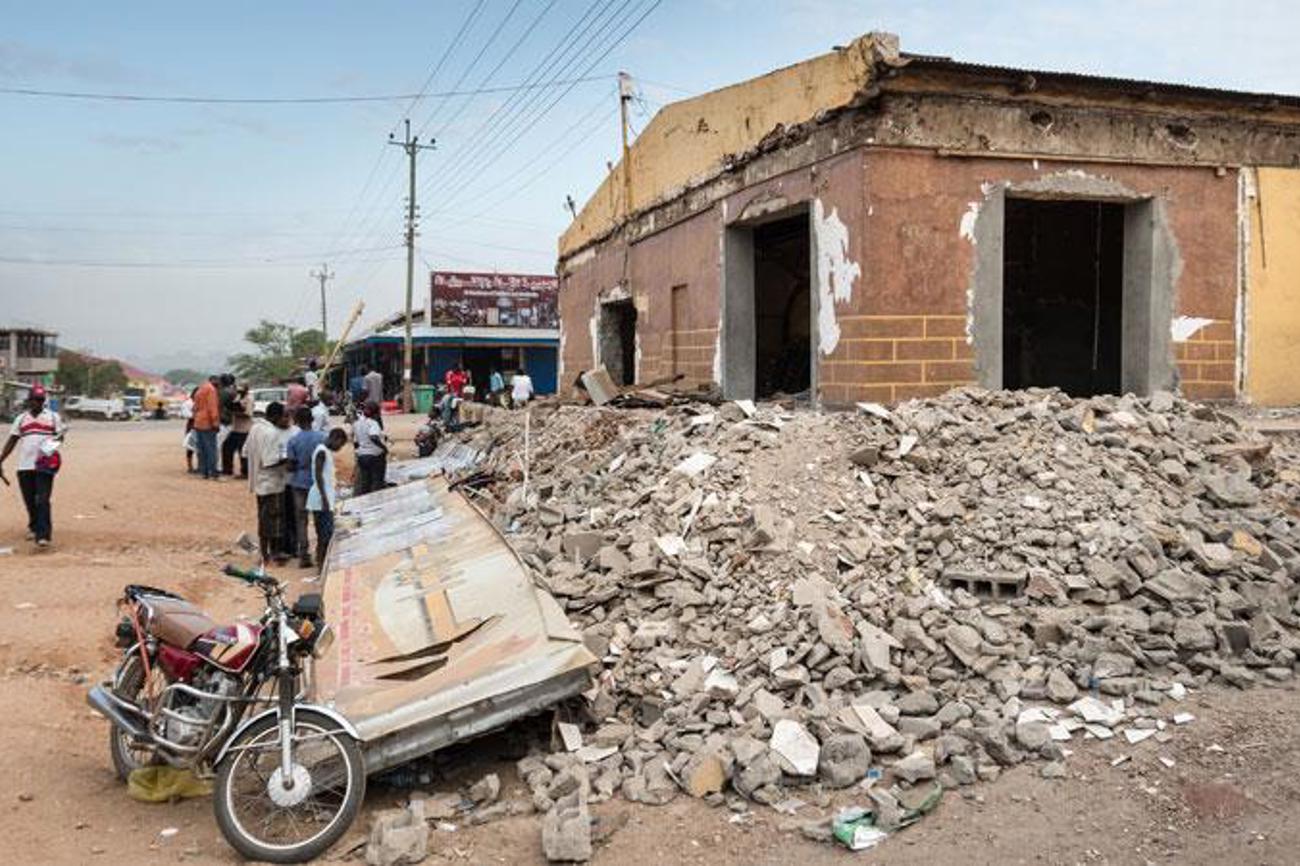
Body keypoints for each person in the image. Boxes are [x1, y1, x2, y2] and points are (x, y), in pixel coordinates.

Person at [0, 385, 66, 547]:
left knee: (42, 499)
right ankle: (34, 526)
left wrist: (48, 449)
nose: (38, 403)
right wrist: (1, 459)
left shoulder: (53, 417)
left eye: (41, 400)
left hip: (44, 465)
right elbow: (12, 441)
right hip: (24, 466)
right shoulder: (21, 419)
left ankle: (43, 536)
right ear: (29, 400)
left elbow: (60, 437)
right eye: (35, 399)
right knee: (30, 500)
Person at [244, 401, 292, 564]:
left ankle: (265, 553)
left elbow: (245, 452)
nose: (286, 420)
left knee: (264, 518)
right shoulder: (271, 433)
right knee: (275, 519)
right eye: (283, 416)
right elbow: (270, 461)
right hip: (271, 482)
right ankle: (274, 553)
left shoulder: (255, 428)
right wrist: (288, 460)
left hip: (259, 482)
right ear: (275, 417)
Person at [285, 406, 326, 569]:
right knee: (319, 519)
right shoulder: (322, 438)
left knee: (301, 520)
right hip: (317, 483)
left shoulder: (293, 441)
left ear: (297, 421)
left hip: (299, 482)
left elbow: (291, 465)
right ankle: (321, 554)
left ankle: (304, 555)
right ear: (312, 420)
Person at [307, 428, 346, 568]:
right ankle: (322, 563)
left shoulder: (325, 451)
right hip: (320, 499)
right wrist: (324, 498)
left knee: (324, 533)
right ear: (335, 438)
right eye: (340, 444)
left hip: (324, 497)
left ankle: (321, 561)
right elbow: (318, 475)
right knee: (325, 534)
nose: (339, 448)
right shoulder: (322, 451)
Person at [351, 400, 388, 496]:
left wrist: (358, 451)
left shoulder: (357, 423)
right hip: (374, 455)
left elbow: (355, 441)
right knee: (376, 481)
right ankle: (375, 502)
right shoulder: (373, 423)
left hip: (362, 456)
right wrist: (384, 448)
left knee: (365, 482)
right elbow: (374, 437)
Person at [192, 375, 221, 479]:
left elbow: (194, 407)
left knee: (202, 449)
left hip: (198, 421)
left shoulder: (200, 389)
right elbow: (212, 408)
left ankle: (204, 472)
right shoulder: (211, 390)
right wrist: (216, 423)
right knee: (211, 449)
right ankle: (213, 472)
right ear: (214, 381)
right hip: (207, 423)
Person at [181, 388, 197, 473]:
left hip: (200, 425)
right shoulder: (188, 403)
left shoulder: (200, 402)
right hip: (192, 425)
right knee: (190, 446)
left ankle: (200, 465)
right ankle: (190, 466)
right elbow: (186, 414)